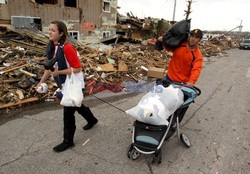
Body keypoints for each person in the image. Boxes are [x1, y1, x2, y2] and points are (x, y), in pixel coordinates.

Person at [35, 21, 98, 152]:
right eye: (49, 29)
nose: (50, 32)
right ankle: (92, 120)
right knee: (77, 104)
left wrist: (59, 72)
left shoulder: (67, 48)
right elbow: (49, 68)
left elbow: (77, 68)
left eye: (53, 30)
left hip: (74, 83)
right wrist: (41, 82)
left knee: (68, 112)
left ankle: (68, 141)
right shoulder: (51, 47)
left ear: (61, 33)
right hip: (64, 83)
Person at [158, 29, 204, 122]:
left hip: (182, 84)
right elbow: (169, 47)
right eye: (191, 36)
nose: (193, 39)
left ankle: (174, 122)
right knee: (163, 101)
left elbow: (196, 69)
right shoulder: (180, 44)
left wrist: (191, 81)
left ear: (199, 40)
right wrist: (162, 41)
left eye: (196, 37)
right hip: (170, 78)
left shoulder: (197, 55)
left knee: (179, 106)